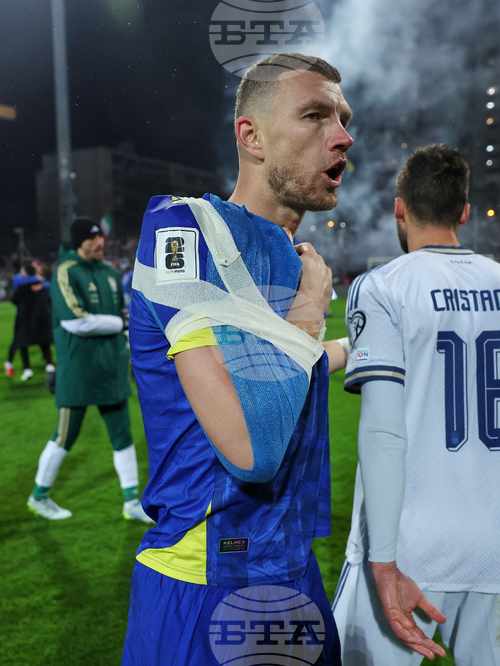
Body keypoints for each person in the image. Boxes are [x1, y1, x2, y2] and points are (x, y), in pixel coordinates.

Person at [122, 53, 353, 665]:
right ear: (250, 136)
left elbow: (272, 363)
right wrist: (308, 318)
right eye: (315, 115)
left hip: (294, 568)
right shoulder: (184, 231)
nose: (343, 135)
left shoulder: (292, 255)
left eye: (344, 118)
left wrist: (354, 350)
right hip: (207, 581)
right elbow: (253, 449)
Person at [331, 145, 500, 665]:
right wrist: (497, 508)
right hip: (498, 549)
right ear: (464, 212)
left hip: (405, 549)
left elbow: (383, 432)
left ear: (400, 208)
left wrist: (384, 556)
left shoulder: (383, 287)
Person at [26, 217, 151, 523]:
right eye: (94, 239)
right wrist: (119, 324)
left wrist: (125, 331)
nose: (101, 244)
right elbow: (75, 321)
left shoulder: (109, 272)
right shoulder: (66, 271)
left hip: (110, 368)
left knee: (123, 436)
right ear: (80, 241)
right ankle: (38, 497)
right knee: (64, 437)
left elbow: (121, 314)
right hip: (79, 372)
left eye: (101, 239)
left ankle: (131, 502)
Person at [5, 260, 55, 387]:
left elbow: (14, 300)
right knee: (44, 342)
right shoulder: (43, 285)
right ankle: (49, 365)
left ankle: (25, 368)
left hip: (25, 318)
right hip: (42, 318)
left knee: (22, 342)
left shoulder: (22, 286)